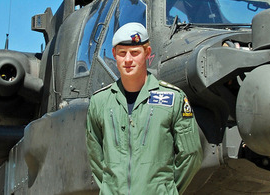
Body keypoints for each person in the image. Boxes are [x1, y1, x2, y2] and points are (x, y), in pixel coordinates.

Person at [86, 22, 202, 195]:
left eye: (134, 53)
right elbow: (96, 157)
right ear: (114, 55)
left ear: (147, 53)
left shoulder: (173, 98)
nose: (127, 60)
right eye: (122, 53)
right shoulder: (100, 101)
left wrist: (166, 190)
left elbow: (191, 155)